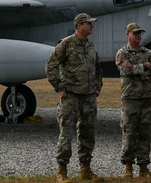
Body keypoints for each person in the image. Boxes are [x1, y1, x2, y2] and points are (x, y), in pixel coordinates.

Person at [47, 13, 103, 182]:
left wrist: (97, 87)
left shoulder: (90, 45)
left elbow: (98, 68)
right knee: (67, 134)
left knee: (88, 134)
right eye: (88, 23)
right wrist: (60, 87)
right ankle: (61, 172)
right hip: (70, 96)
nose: (91, 26)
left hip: (88, 97)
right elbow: (51, 65)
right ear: (79, 25)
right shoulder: (66, 44)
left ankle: (85, 170)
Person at [115, 22, 151, 178]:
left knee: (145, 133)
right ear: (128, 34)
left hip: (146, 99)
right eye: (135, 33)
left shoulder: (148, 52)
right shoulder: (122, 53)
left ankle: (143, 167)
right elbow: (125, 70)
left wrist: (138, 69)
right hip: (130, 99)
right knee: (129, 133)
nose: (138, 36)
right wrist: (144, 67)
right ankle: (128, 167)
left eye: (140, 33)